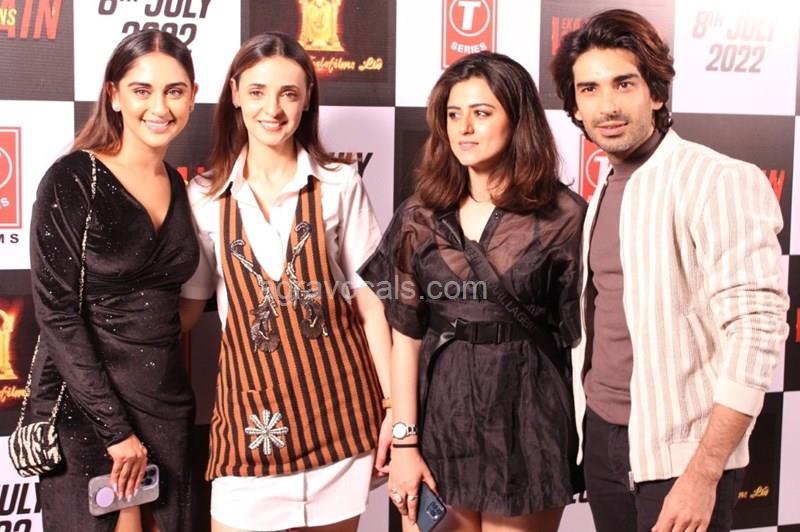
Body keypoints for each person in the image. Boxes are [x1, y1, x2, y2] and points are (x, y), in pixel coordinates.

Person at [550, 9, 789, 532]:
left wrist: (704, 473)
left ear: (656, 93)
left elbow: (756, 332)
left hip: (683, 456)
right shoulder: (602, 191)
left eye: (624, 84)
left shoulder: (718, 180)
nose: (607, 106)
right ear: (575, 106)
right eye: (589, 89)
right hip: (603, 439)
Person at [359, 51, 585, 532]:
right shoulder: (419, 215)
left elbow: (579, 337)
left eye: (481, 113)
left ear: (517, 119)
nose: (464, 128)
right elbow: (406, 337)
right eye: (453, 114)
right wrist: (404, 441)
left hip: (528, 418)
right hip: (442, 414)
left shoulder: (564, 215)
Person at [178, 32, 392, 532]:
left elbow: (372, 304)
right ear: (235, 93)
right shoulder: (203, 195)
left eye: (288, 93)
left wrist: (393, 408)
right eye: (257, 91)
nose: (272, 109)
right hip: (252, 418)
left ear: (307, 99)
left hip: (339, 413)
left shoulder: (339, 183)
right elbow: (191, 306)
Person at [28, 30, 199, 532]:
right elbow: (56, 313)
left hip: (165, 406)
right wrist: (116, 431)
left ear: (192, 96)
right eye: (142, 90)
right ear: (114, 95)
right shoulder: (72, 178)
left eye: (174, 91)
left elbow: (171, 302)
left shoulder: (179, 186)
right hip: (88, 411)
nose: (160, 107)